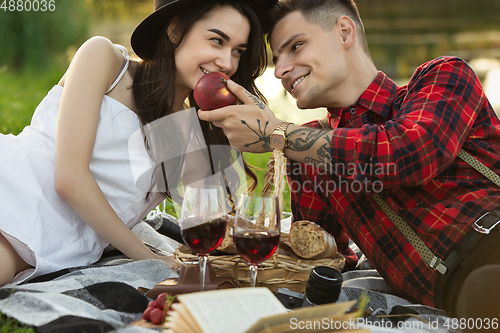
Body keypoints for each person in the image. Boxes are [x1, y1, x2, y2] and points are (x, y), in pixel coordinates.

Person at [198, 0, 500, 318]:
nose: (281, 70)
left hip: (492, 242)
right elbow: (320, 257)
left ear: (344, 32)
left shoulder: (441, 77)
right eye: (277, 59)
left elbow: (409, 153)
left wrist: (280, 134)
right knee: (482, 291)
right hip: (462, 295)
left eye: (296, 46)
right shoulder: (306, 153)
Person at [0, 0, 278, 287]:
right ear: (174, 29)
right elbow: (70, 179)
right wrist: (152, 260)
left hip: (48, 245)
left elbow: (214, 226)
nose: (227, 62)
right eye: (217, 40)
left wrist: (262, 131)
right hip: (14, 189)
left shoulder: (186, 133)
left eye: (237, 52)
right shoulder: (105, 59)